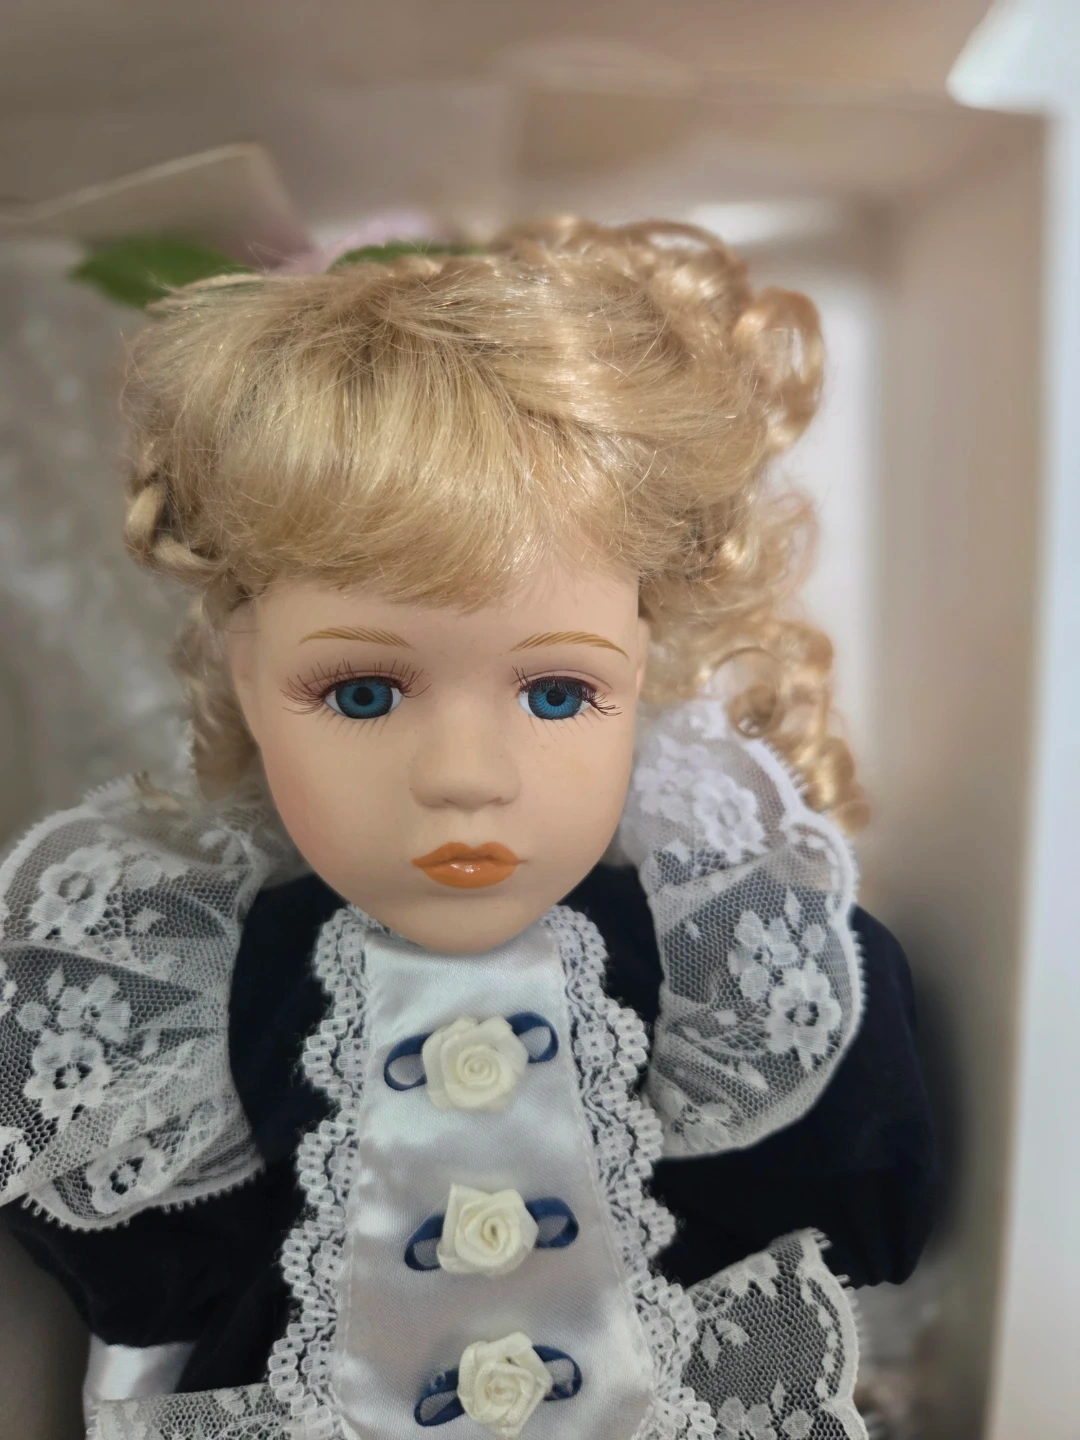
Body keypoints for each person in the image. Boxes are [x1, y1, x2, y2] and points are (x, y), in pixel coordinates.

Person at [0, 221, 935, 1440]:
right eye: (361, 694)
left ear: (643, 669)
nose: (463, 778)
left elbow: (841, 1222)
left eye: (556, 693)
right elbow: (156, 1300)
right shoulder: (217, 984)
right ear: (245, 675)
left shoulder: (712, 969)